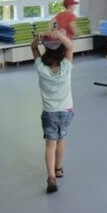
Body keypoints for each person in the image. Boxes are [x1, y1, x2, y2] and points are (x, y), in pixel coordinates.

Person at [31, 30, 75, 194]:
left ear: (46, 49)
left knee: (50, 145)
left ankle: (51, 177)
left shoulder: (41, 68)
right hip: (66, 111)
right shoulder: (66, 66)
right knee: (61, 140)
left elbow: (34, 49)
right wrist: (59, 35)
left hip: (49, 113)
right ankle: (59, 168)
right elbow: (70, 47)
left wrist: (36, 41)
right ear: (62, 50)